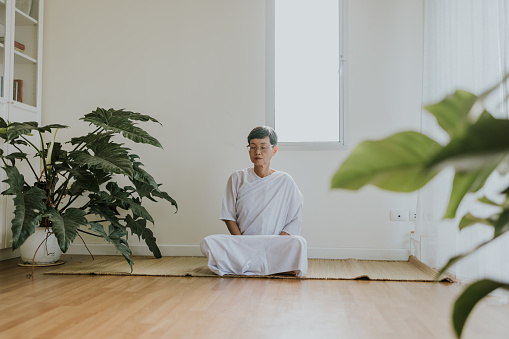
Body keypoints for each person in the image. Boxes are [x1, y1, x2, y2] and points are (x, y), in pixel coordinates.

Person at [200, 126, 308, 276]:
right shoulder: (237, 178)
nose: (257, 152)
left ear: (274, 150)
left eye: (263, 147)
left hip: (275, 244)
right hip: (244, 244)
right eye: (253, 147)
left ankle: (248, 265)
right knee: (208, 242)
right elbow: (228, 216)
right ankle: (271, 266)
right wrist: (241, 243)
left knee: (299, 242)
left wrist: (273, 245)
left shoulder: (285, 180)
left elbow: (295, 219)